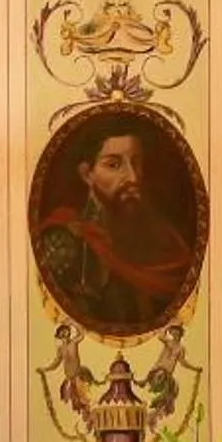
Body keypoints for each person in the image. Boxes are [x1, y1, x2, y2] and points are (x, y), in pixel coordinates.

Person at [34, 122, 197, 335]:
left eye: (137, 163)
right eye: (113, 165)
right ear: (87, 174)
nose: (133, 177)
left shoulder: (163, 239)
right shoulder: (65, 242)